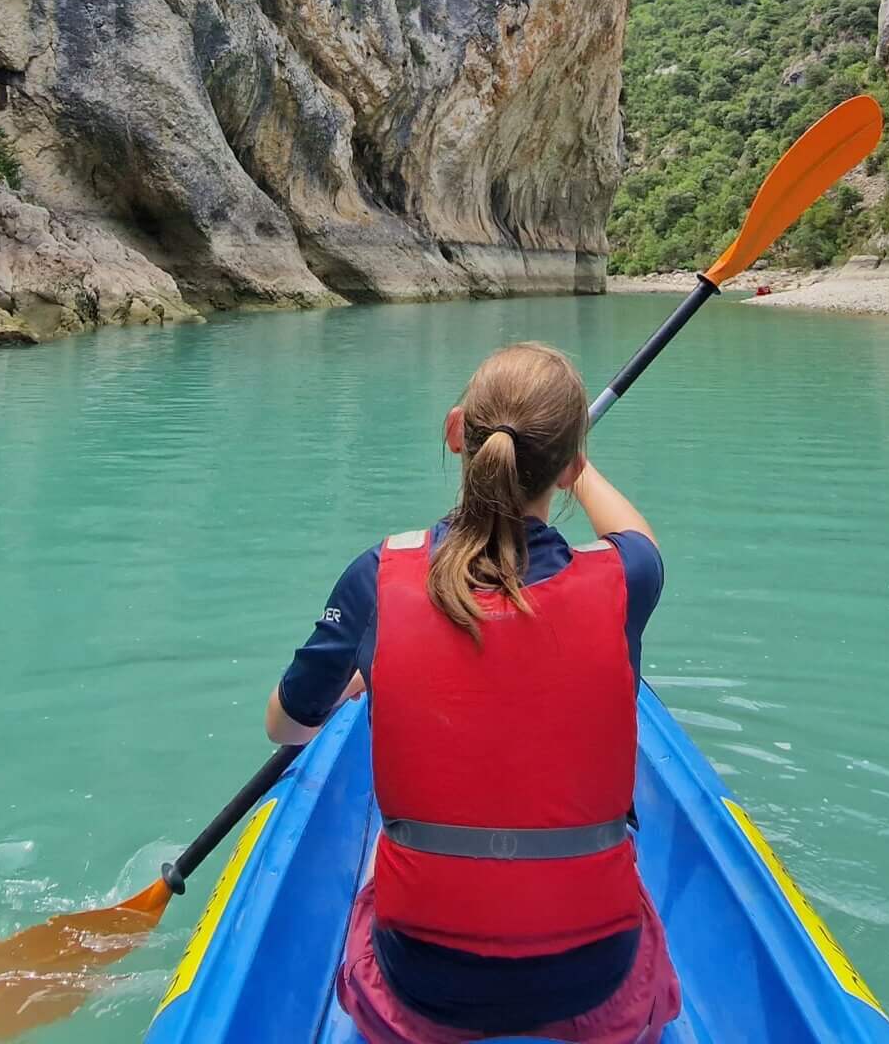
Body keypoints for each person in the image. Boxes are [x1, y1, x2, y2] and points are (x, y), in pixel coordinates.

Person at [265, 343, 682, 1044]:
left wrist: (368, 677)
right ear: (572, 464)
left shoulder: (378, 576)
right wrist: (577, 467)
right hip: (594, 977)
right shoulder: (628, 580)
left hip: (423, 982)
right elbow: (637, 536)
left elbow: (286, 729)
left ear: (457, 430)